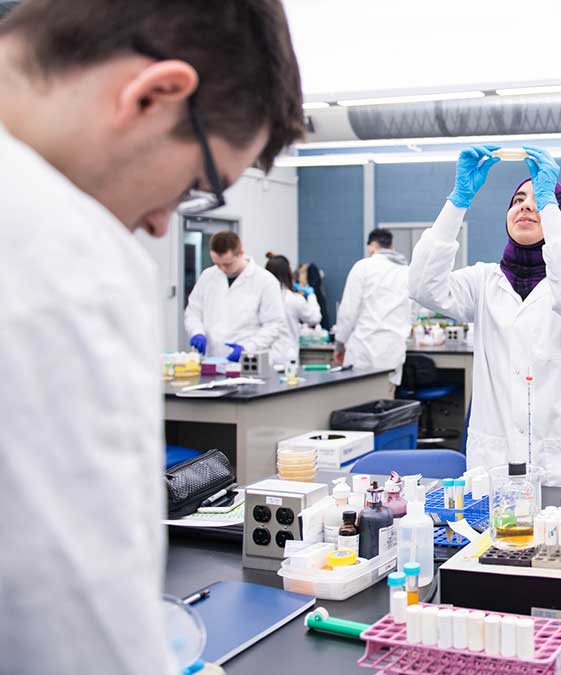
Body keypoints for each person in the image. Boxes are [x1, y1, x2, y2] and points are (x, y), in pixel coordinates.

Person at [0, 1, 304, 672]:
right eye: (195, 185)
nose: (166, 225)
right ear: (157, 94)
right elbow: (79, 639)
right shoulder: (59, 257)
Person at [409, 145, 561, 489]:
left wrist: (550, 206)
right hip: (496, 466)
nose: (526, 205)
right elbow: (421, 286)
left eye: (541, 200)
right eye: (518, 199)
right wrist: (458, 201)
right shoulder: (483, 282)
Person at [185, 230, 286, 363]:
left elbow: (274, 324)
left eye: (227, 264)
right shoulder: (207, 276)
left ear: (240, 254)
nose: (222, 269)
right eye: (217, 264)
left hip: (248, 360)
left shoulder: (265, 281)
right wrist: (197, 332)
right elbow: (193, 311)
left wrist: (247, 348)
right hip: (212, 360)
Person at [333, 228, 413, 389]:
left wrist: (339, 344)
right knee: (386, 406)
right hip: (392, 350)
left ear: (371, 247)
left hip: (363, 350)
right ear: (392, 246)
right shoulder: (408, 272)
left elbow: (348, 311)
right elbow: (414, 312)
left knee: (358, 404)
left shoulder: (362, 267)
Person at [266, 254, 322, 368]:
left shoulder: (262, 297)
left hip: (265, 358)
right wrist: (311, 296)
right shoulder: (293, 299)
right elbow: (314, 318)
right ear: (288, 274)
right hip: (287, 357)